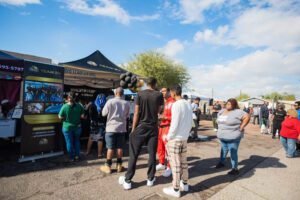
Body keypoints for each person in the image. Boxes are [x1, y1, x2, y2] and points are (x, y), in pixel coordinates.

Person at [118, 77, 164, 190]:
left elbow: (137, 113)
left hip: (141, 127)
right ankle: (150, 179)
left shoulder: (140, 94)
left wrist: (133, 129)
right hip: (153, 128)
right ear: (155, 83)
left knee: (134, 154)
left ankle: (128, 180)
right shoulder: (159, 95)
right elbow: (159, 111)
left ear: (146, 84)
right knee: (152, 154)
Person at [162, 85, 193, 198]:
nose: (170, 94)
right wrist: (186, 134)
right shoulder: (187, 104)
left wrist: (168, 137)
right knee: (184, 163)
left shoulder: (176, 105)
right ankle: (184, 184)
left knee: (175, 165)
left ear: (173, 93)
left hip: (175, 139)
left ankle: (175, 189)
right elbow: (191, 121)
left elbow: (174, 124)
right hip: (184, 138)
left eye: (170, 92)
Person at [215, 98, 250, 175]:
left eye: (230, 104)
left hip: (233, 137)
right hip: (222, 136)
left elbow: (247, 117)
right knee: (223, 150)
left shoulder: (238, 112)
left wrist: (242, 127)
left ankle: (235, 169)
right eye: (227, 103)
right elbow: (218, 121)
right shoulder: (222, 111)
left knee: (233, 152)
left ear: (234, 105)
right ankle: (222, 163)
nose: (228, 105)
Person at [100, 88, 130, 174]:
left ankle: (108, 166)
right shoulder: (127, 103)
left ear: (116, 93)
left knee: (110, 148)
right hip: (121, 128)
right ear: (122, 93)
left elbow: (103, 113)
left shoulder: (110, 101)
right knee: (119, 147)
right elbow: (127, 116)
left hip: (111, 128)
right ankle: (119, 165)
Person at [58, 92, 86, 162]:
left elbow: (60, 117)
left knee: (69, 142)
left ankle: (71, 158)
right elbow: (83, 116)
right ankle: (77, 156)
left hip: (67, 128)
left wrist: (66, 117)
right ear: (75, 98)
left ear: (68, 98)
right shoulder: (79, 106)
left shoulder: (64, 106)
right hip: (77, 127)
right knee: (77, 141)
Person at [156, 88, 175, 177]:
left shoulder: (173, 102)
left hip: (168, 127)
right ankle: (161, 163)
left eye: (163, 91)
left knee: (168, 148)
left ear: (168, 92)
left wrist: (165, 118)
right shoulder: (164, 102)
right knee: (160, 146)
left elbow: (175, 118)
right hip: (161, 127)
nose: (162, 92)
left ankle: (169, 167)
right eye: (161, 91)